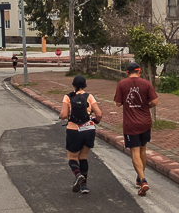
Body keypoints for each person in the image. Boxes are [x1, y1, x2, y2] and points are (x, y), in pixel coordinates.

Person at [113, 62, 158, 196]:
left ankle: (143, 180)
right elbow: (154, 101)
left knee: (135, 152)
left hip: (130, 124)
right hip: (145, 122)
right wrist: (145, 106)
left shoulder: (122, 84)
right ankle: (140, 178)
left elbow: (118, 103)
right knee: (143, 149)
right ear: (139, 71)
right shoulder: (146, 83)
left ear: (127, 72)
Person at [59, 75, 103, 194]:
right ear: (84, 85)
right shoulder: (89, 96)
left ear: (73, 85)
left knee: (72, 158)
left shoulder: (68, 97)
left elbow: (63, 115)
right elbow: (99, 113)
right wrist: (95, 121)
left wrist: (62, 116)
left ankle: (78, 175)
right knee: (83, 157)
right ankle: (84, 186)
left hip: (73, 130)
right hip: (88, 130)